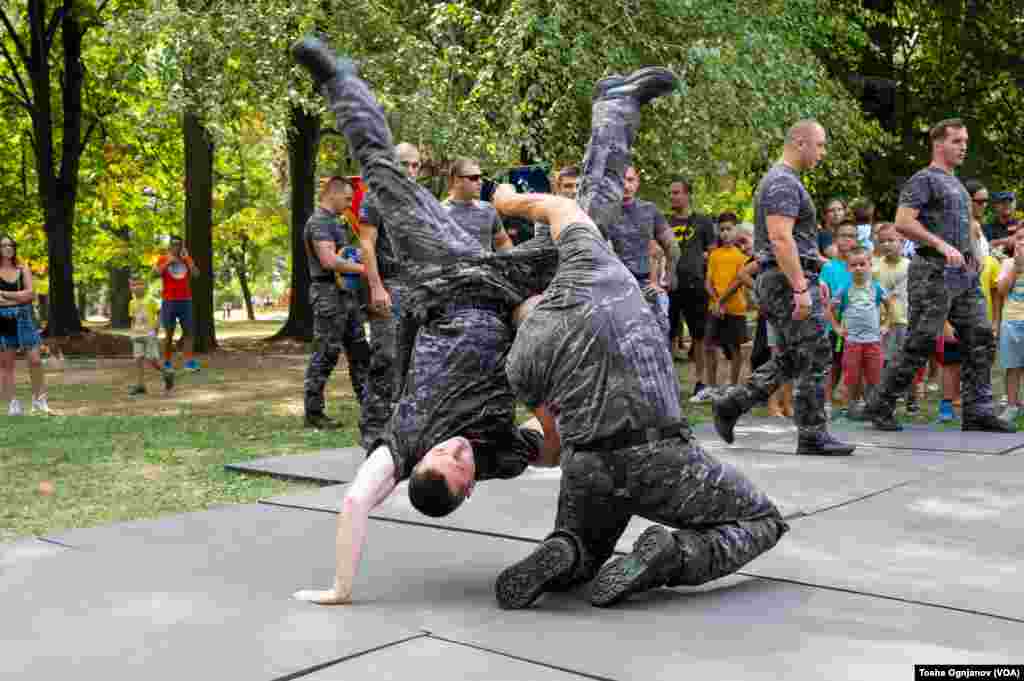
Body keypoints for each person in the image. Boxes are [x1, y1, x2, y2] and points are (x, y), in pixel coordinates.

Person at [488, 74, 787, 608]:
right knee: (762, 519)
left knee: (584, 538)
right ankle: (673, 555)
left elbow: (544, 424)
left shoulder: (526, 345)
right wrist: (509, 200)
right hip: (658, 452)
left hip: (587, 462)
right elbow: (566, 208)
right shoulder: (594, 264)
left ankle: (568, 550)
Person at [289, 36, 558, 605]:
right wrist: (539, 379)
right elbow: (555, 442)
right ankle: (618, 110)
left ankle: (339, 80)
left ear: (418, 464)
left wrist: (340, 587)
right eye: (463, 465)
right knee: (589, 230)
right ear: (469, 490)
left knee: (383, 178)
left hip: (443, 281)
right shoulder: (501, 458)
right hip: (504, 292)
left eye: (446, 454)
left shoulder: (403, 445)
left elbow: (356, 501)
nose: (458, 451)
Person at [711, 120, 856, 456]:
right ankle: (812, 434)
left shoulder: (786, 181)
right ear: (800, 142)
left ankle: (732, 404)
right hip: (782, 279)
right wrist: (799, 286)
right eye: (819, 145)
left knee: (795, 356)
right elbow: (779, 238)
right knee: (816, 353)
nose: (822, 153)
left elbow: (795, 242)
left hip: (785, 277)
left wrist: (813, 273)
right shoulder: (781, 183)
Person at [865, 119, 1014, 433]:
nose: (963, 147)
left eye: (965, 141)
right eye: (957, 141)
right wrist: (940, 244)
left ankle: (978, 411)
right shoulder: (923, 180)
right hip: (932, 272)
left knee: (981, 337)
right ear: (938, 144)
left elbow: (961, 231)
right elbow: (903, 222)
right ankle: (882, 404)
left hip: (964, 276)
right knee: (920, 341)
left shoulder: (957, 184)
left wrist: (973, 256)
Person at [358, 142, 419, 449]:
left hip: (417, 289)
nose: (410, 170)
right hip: (388, 285)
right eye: (404, 164)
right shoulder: (375, 197)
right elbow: (366, 245)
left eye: (415, 165)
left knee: (412, 360)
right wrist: (376, 287)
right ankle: (372, 429)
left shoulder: (419, 201)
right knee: (385, 356)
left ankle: (402, 431)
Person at [303, 176, 372, 430]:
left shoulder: (336, 221)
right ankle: (313, 412)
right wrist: (365, 269)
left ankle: (369, 407)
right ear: (332, 194)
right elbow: (329, 261)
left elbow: (344, 256)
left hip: (347, 295)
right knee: (326, 353)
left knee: (359, 352)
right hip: (328, 295)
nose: (349, 203)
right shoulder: (319, 222)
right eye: (347, 198)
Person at [692, 214, 748, 402]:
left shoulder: (741, 257)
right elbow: (708, 282)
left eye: (729, 229)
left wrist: (722, 302)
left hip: (735, 308)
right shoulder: (714, 255)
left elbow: (738, 282)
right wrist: (716, 301)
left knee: (734, 348)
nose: (725, 233)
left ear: (736, 230)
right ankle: (711, 386)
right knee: (709, 346)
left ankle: (733, 385)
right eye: (722, 229)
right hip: (714, 309)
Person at [666, 177, 716, 383]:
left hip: (696, 285)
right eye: (671, 193)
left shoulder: (703, 221)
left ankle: (700, 381)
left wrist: (709, 281)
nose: (672, 196)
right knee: (667, 332)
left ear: (688, 195)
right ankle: (668, 382)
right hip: (669, 285)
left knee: (698, 334)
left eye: (677, 192)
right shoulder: (664, 221)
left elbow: (712, 254)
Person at [832, 246, 893, 412]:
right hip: (852, 342)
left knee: (874, 375)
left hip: (873, 341)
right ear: (848, 268)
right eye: (854, 265)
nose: (858, 268)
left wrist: (886, 324)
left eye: (862, 264)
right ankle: (851, 405)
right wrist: (836, 327)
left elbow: (890, 307)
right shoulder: (844, 289)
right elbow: (829, 309)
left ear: (869, 265)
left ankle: (873, 405)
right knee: (852, 375)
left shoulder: (877, 288)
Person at [0, 235, 52, 415]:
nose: (8, 248)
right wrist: (18, 298)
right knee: (7, 365)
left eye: (11, 245)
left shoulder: (23, 269)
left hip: (24, 318)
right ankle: (13, 404)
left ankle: (39, 400)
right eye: (4, 245)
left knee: (35, 360)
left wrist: (5, 295)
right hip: (3, 321)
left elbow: (31, 294)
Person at [873, 224, 918, 412]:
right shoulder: (875, 267)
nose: (887, 245)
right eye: (882, 241)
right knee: (884, 361)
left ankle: (911, 397)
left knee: (907, 361)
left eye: (891, 240)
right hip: (882, 323)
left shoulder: (910, 266)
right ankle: (885, 397)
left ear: (902, 241)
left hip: (904, 320)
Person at [606, 165, 671, 291]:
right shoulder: (605, 212)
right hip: (616, 283)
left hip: (647, 283)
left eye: (630, 180)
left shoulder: (650, 209)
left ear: (637, 182)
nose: (626, 186)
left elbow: (667, 247)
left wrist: (661, 279)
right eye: (621, 180)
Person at [442, 158, 514, 252]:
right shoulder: (439, 213)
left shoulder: (488, 209)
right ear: (457, 181)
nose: (480, 182)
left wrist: (511, 263)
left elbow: (502, 242)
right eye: (474, 178)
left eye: (481, 177)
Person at [153, 235, 200, 374]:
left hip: (185, 300)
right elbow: (155, 274)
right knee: (169, 333)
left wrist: (187, 260)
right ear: (169, 246)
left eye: (179, 244)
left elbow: (196, 274)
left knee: (189, 332)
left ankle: (189, 362)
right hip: (169, 301)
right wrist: (168, 262)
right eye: (173, 244)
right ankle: (167, 362)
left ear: (182, 246)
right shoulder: (163, 259)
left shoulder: (186, 259)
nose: (176, 247)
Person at [996, 228, 1024, 422]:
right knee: (1012, 366)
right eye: (1020, 238)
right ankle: (1012, 405)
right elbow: (1002, 290)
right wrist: (1017, 268)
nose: (1023, 242)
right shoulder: (1007, 263)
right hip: (1012, 321)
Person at [128, 278, 174, 395]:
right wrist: (132, 332)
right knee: (138, 359)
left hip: (149, 334)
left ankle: (167, 373)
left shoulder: (150, 300)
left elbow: (159, 314)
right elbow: (133, 319)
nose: (136, 287)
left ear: (145, 286)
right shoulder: (131, 303)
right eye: (134, 285)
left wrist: (156, 327)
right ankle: (140, 385)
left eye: (139, 284)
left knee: (152, 359)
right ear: (130, 288)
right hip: (137, 334)